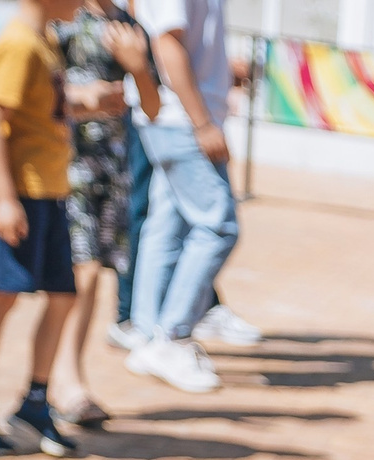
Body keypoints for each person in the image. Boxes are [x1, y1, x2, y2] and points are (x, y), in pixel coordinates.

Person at [0, 0, 87, 459]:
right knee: (3, 296)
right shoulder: (20, 43)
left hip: (51, 191)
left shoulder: (43, 40)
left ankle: (35, 403)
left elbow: (39, 112)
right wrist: (5, 198)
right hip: (22, 193)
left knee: (64, 296)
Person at [45, 0, 157, 430]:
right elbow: (28, 90)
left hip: (110, 168)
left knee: (92, 276)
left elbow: (151, 107)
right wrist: (80, 98)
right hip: (65, 162)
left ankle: (64, 376)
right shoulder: (62, 17)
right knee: (83, 271)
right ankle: (61, 381)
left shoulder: (127, 26)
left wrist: (138, 67)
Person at [122, 0, 236, 394]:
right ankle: (171, 335)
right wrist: (202, 122)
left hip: (174, 117)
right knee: (219, 226)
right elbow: (167, 43)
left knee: (166, 225)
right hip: (181, 119)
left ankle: (148, 330)